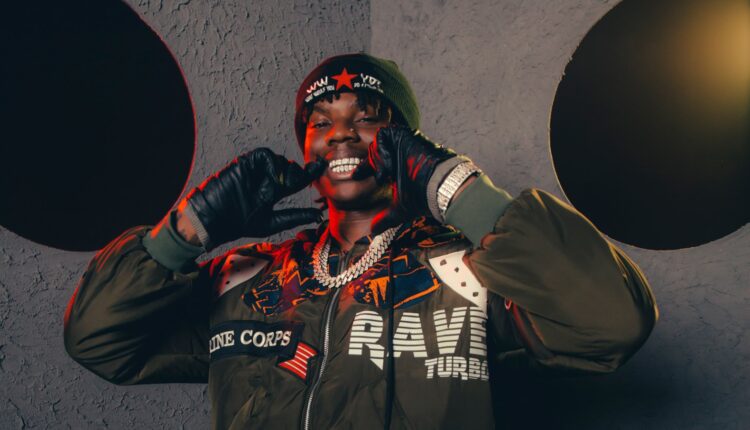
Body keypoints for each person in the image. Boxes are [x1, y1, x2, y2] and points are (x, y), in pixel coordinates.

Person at [64, 53, 658, 429]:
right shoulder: (247, 277)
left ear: (405, 142)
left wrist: (452, 185)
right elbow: (99, 343)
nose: (341, 134)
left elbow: (612, 323)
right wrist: (188, 228)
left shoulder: (467, 270)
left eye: (368, 117)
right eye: (320, 121)